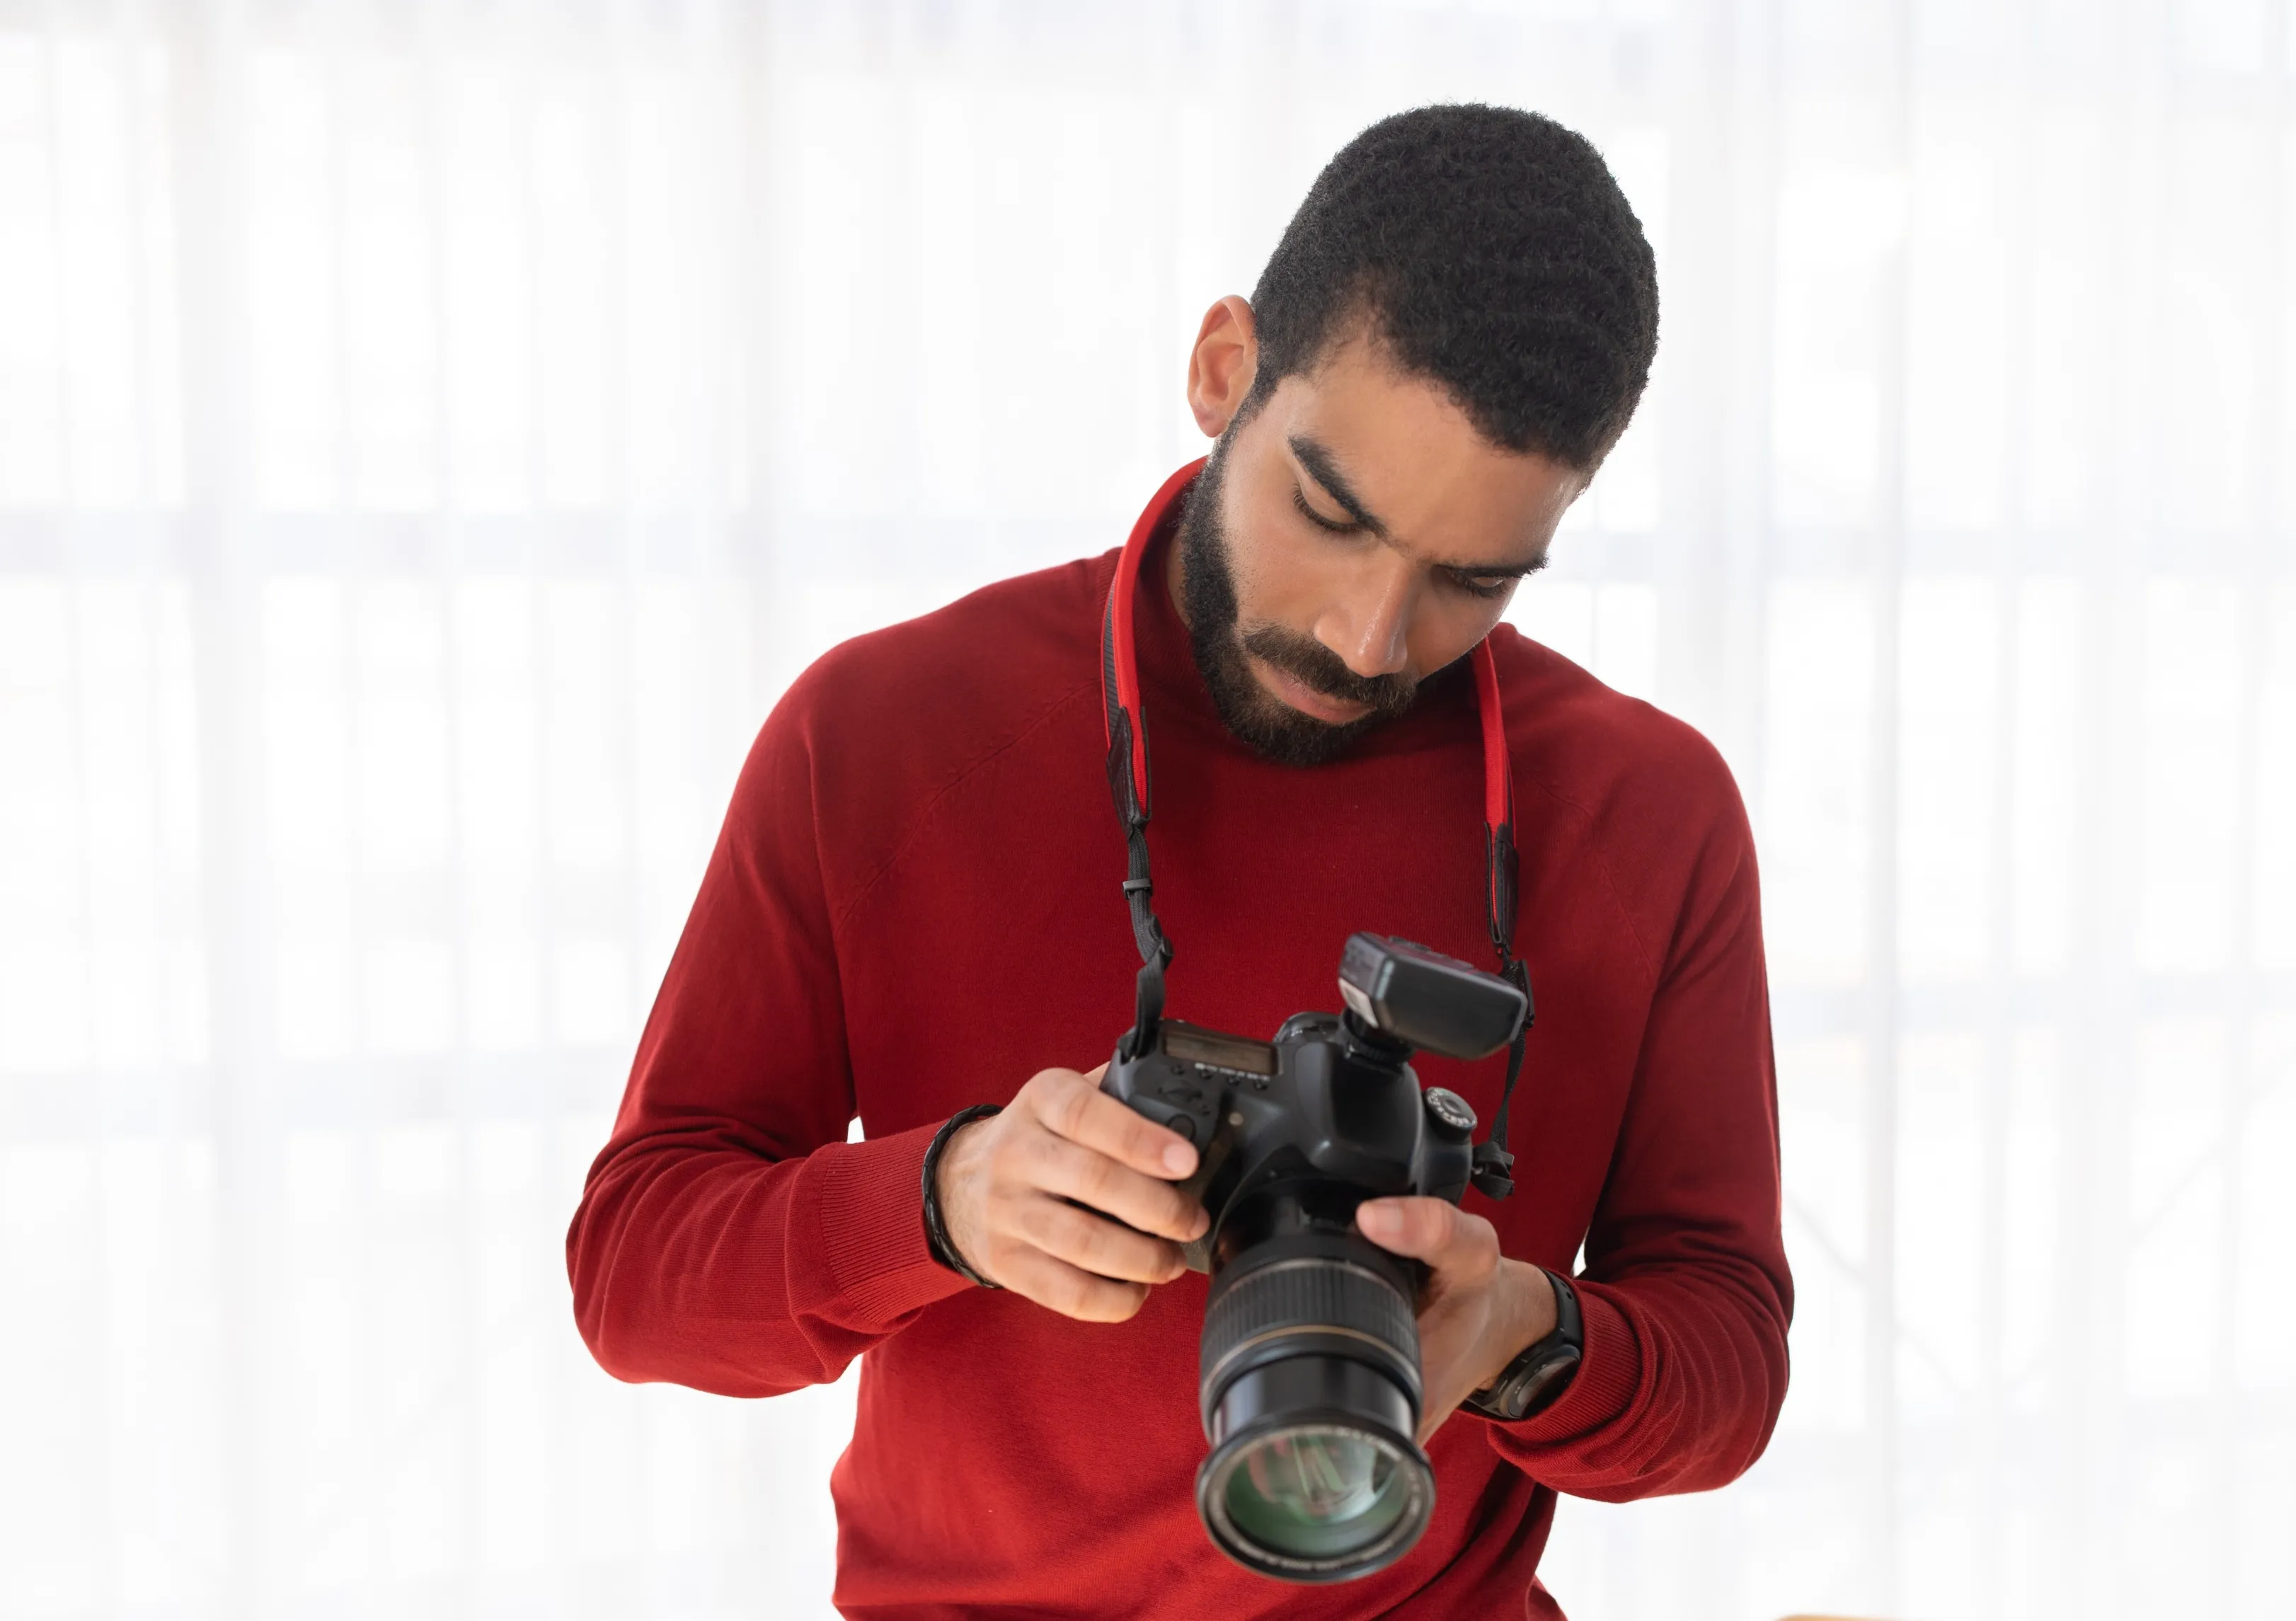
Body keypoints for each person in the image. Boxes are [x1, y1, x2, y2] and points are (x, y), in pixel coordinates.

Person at [567, 103, 1791, 1619]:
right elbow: (632, 1274)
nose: (1367, 639)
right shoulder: (880, 730)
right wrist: (942, 1200)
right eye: (1329, 514)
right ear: (1224, 369)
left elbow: (1730, 1361)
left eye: (1471, 580)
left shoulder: (1652, 808)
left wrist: (1525, 1335)